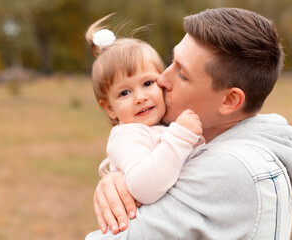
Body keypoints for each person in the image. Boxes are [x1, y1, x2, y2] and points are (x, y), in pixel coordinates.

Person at [87, 7, 292, 240]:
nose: (162, 79)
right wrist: (119, 175)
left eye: (182, 74)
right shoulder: (227, 144)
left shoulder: (228, 169)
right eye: (171, 62)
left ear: (230, 100)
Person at [85, 14, 204, 231]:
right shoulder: (127, 136)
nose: (140, 97)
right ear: (109, 108)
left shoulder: (167, 124)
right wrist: (181, 137)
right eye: (124, 92)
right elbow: (144, 188)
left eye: (148, 83)